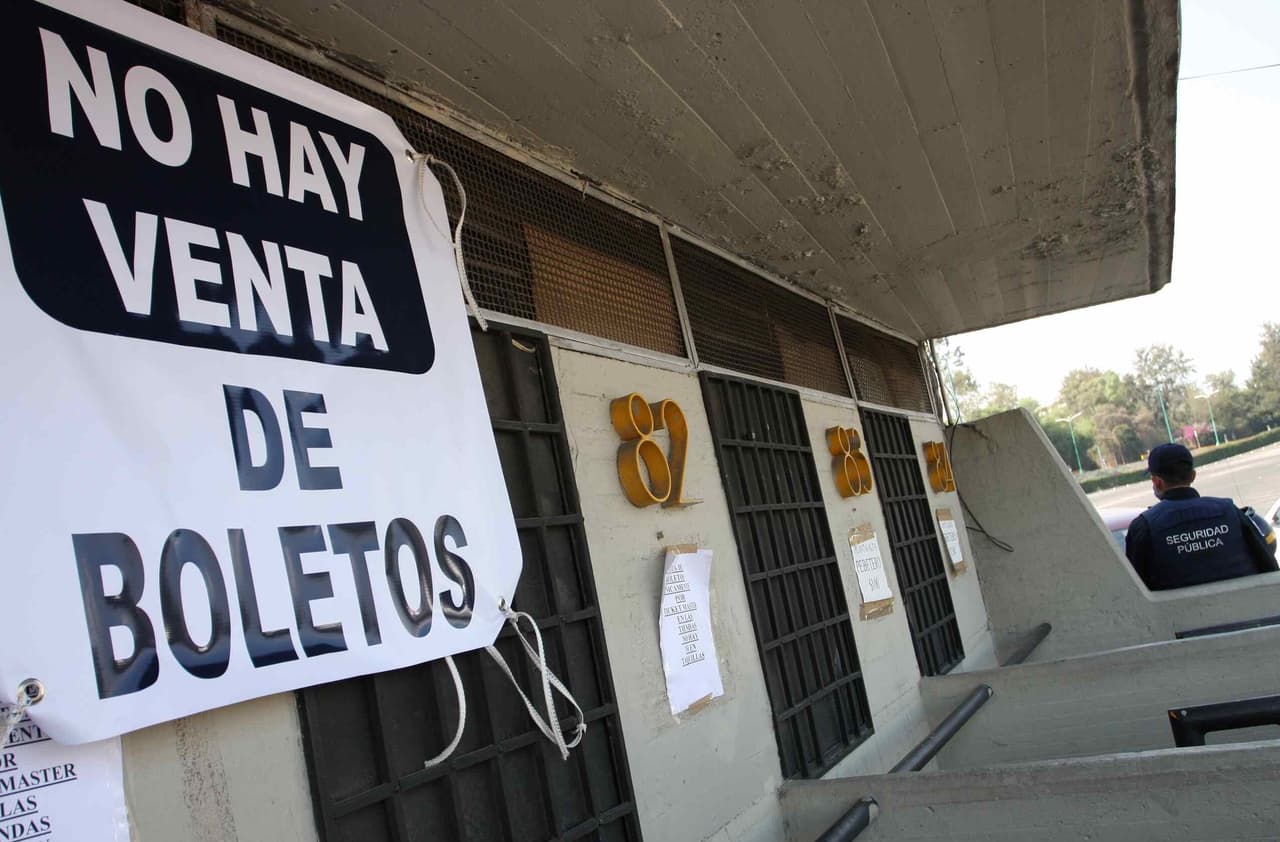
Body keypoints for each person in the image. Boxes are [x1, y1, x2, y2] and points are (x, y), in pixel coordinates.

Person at [1124, 443, 1278, 590]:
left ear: (1157, 482)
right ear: (1193, 475)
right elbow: (1269, 568)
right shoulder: (1229, 511)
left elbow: (1134, 591)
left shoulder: (1144, 527)